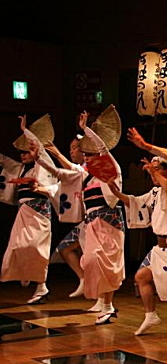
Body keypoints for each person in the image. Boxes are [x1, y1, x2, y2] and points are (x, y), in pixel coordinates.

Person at [30, 108, 125, 324]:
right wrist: (42, 160)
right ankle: (102, 301)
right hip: (92, 224)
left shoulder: (112, 171)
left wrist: (86, 129)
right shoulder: (86, 175)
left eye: (92, 155)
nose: (89, 159)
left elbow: (104, 151)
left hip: (109, 222)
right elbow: (61, 173)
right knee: (91, 261)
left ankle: (108, 305)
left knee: (106, 263)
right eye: (88, 156)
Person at [111, 127, 167, 336]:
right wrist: (115, 192)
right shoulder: (155, 192)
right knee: (141, 277)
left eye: (159, 169)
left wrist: (153, 171)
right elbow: (135, 202)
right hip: (160, 247)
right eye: (154, 169)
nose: (154, 172)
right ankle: (151, 315)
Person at [0, 115, 58, 304]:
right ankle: (28, 275)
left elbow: (40, 152)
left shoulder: (43, 166)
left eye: (26, 152)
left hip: (39, 211)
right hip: (24, 212)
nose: (23, 156)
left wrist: (26, 130)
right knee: (16, 247)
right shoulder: (21, 169)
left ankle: (42, 286)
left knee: (35, 248)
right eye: (22, 153)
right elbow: (4, 161)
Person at [45, 136, 86, 298]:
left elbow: (76, 171)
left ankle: (103, 300)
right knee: (65, 248)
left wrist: (57, 154)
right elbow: (58, 187)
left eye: (75, 148)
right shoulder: (78, 170)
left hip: (97, 219)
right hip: (86, 221)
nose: (72, 151)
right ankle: (84, 279)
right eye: (71, 148)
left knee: (92, 259)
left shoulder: (90, 168)